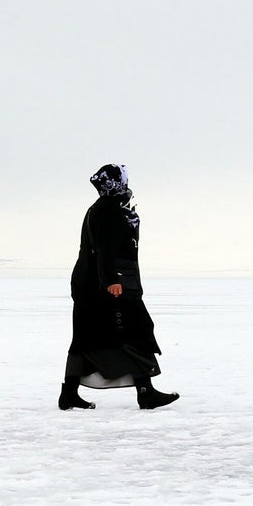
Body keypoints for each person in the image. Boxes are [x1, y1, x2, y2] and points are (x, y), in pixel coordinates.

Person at [60, 164, 179, 411]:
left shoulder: (107, 207)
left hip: (93, 283)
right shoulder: (108, 209)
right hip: (103, 284)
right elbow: (104, 248)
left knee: (87, 336)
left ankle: (69, 394)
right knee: (135, 329)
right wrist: (111, 280)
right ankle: (145, 393)